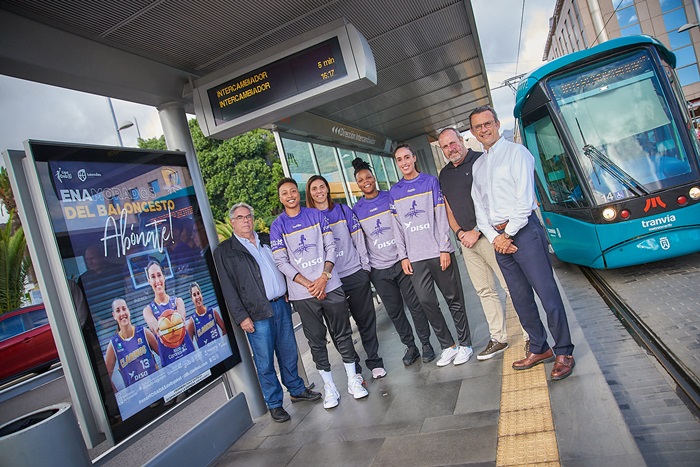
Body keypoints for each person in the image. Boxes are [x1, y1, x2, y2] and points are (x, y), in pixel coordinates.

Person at [469, 105, 575, 380]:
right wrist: (495, 238)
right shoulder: (478, 167)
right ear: (473, 132)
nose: (484, 129)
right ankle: (539, 348)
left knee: (547, 294)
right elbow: (480, 210)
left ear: (496, 123)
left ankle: (563, 350)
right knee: (520, 299)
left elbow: (524, 199)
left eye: (487, 123)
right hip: (499, 241)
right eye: (478, 126)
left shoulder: (517, 154)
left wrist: (508, 235)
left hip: (524, 233)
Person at [213, 203, 321, 423]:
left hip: (280, 304)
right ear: (232, 222)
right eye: (240, 217)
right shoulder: (226, 251)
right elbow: (228, 288)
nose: (246, 220)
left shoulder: (266, 239)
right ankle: (274, 404)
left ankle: (297, 389)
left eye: (249, 216)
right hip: (256, 313)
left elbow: (284, 265)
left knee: (289, 352)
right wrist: (241, 316)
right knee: (264, 362)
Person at [270, 178, 368, 409]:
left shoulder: (316, 216)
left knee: (343, 334)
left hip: (330, 285)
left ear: (298, 193)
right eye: (285, 193)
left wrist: (323, 278)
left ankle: (354, 381)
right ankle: (329, 387)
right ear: (280, 198)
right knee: (316, 342)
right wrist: (309, 284)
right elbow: (281, 261)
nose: (290, 196)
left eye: (293, 191)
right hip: (302, 294)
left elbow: (331, 247)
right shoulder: (278, 226)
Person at [437, 127, 529, 360]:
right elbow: (448, 207)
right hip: (467, 243)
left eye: (454, 142)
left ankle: (531, 335)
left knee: (510, 285)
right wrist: (459, 233)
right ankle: (499, 337)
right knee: (484, 290)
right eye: (446, 146)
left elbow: (493, 201)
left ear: (462, 140)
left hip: (490, 237)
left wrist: (477, 231)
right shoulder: (444, 174)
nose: (451, 148)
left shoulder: (482, 161)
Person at [389, 144, 474, 367]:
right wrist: (403, 256)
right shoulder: (394, 192)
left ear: (414, 158)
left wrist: (444, 248)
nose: (404, 162)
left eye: (407, 157)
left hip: (438, 252)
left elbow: (441, 216)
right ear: (396, 163)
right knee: (427, 301)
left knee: (453, 299)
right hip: (415, 258)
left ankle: (465, 344)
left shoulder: (430, 182)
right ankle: (448, 345)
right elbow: (396, 227)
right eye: (399, 160)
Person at [350, 158, 435, 365]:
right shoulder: (356, 209)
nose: (366, 181)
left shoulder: (391, 197)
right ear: (358, 184)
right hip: (379, 270)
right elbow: (359, 240)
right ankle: (410, 346)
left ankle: (426, 343)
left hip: (401, 262)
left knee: (415, 306)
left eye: (368, 177)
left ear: (374, 178)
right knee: (395, 311)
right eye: (361, 180)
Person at [305, 175, 386, 379]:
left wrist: (364, 267)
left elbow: (358, 237)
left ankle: (374, 361)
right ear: (309, 193)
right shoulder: (309, 219)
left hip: (353, 274)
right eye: (314, 188)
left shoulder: (342, 210)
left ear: (327, 189)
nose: (319, 191)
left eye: (322, 187)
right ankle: (354, 369)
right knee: (339, 329)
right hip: (330, 282)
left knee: (365, 320)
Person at [142, 260, 195, 367]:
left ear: (164, 277)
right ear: (149, 281)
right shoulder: (148, 310)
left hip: (189, 357)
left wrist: (169, 325)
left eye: (159, 275)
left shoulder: (178, 301)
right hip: (171, 366)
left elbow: (180, 318)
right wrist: (159, 328)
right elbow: (154, 326)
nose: (157, 280)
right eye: (152, 277)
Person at [104, 298, 159, 390]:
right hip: (137, 400)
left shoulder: (144, 332)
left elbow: (164, 355)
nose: (122, 313)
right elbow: (106, 377)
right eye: (118, 311)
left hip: (157, 391)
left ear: (128, 311)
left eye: (124, 309)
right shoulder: (113, 344)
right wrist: (119, 396)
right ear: (114, 315)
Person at [186, 282, 227, 349]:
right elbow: (189, 345)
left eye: (198, 293)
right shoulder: (192, 322)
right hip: (206, 357)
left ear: (201, 294)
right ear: (192, 299)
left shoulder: (213, 312)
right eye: (194, 295)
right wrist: (198, 356)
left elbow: (224, 328)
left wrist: (223, 343)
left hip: (220, 352)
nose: (197, 297)